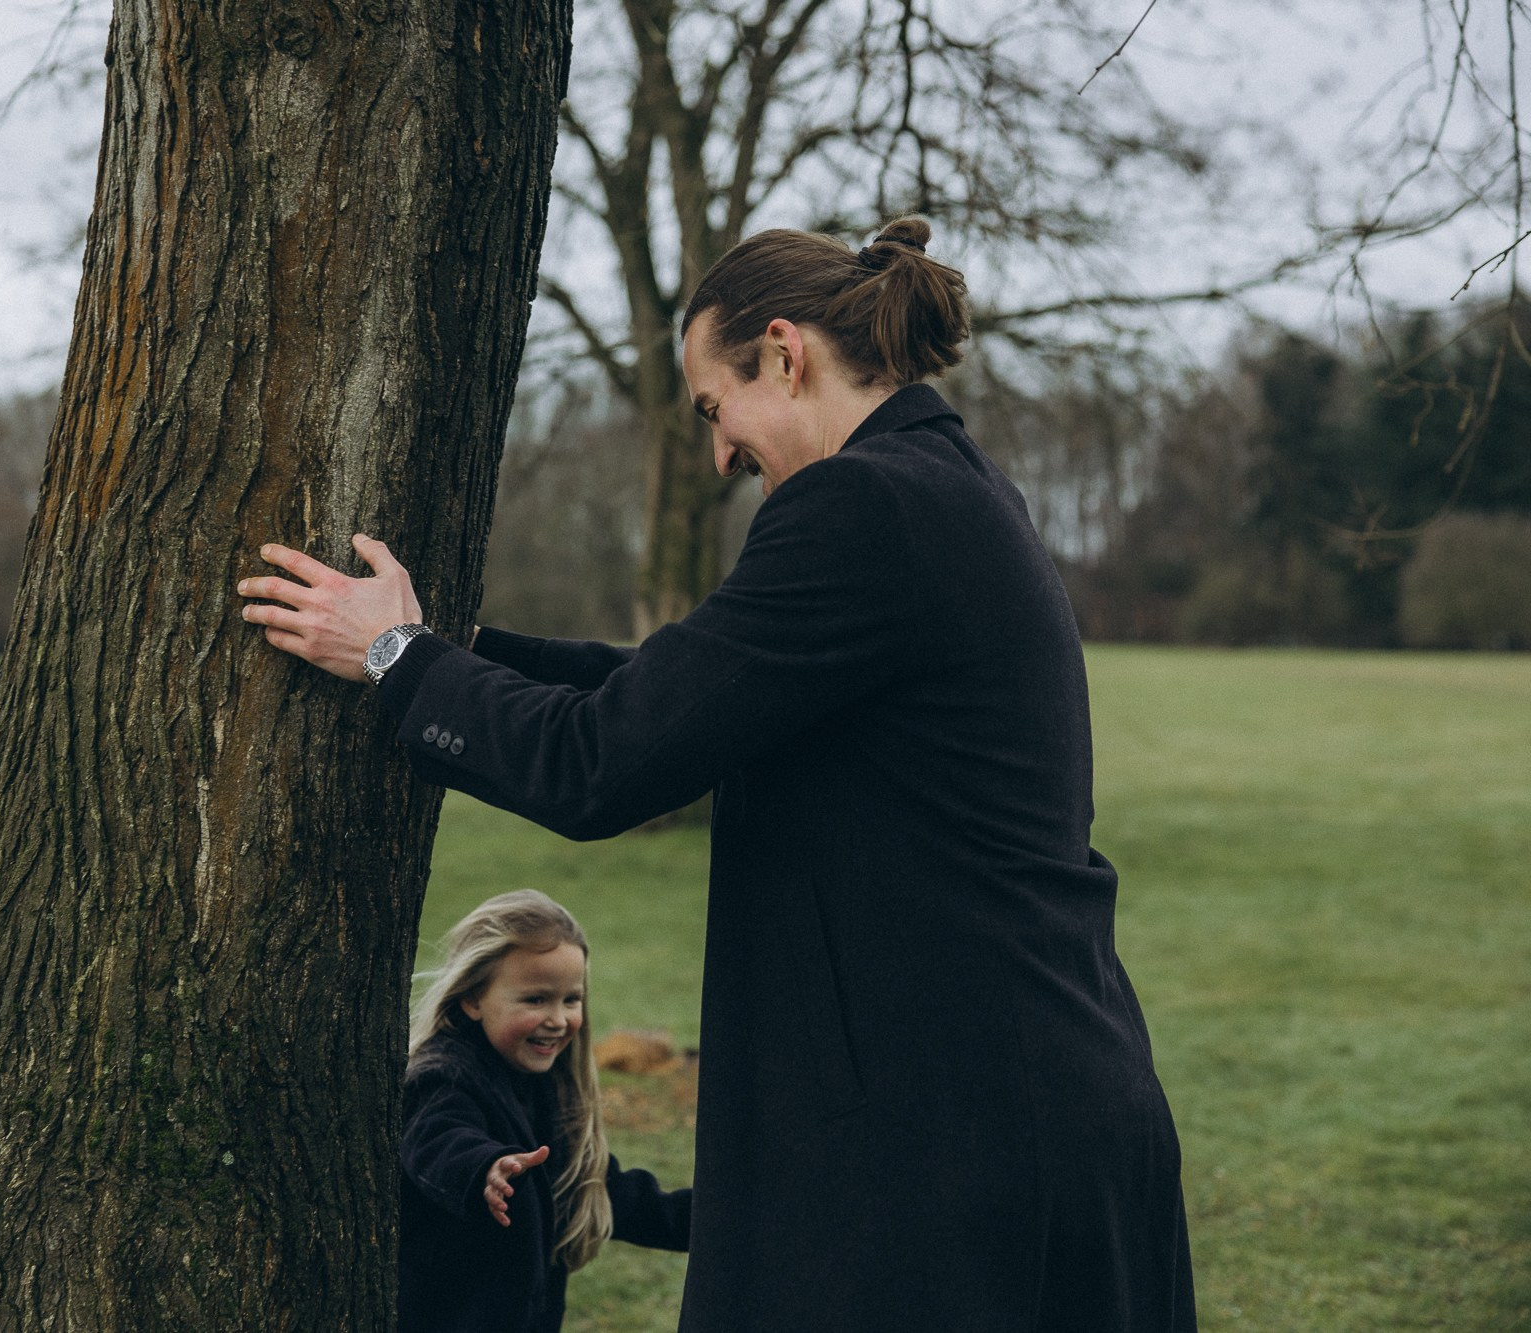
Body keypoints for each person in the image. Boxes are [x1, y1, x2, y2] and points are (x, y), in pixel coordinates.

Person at [238, 218, 1198, 1330]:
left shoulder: (860, 507)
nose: (719, 454)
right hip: (1015, 1113)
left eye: (712, 407)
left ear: (783, 354)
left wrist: (396, 661)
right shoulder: (946, 488)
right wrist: (449, 644)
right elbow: (672, 691)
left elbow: (598, 761)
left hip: (950, 1150)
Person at [399, 889, 691, 1333]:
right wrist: (484, 1170)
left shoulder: (548, 1087)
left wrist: (706, 1220)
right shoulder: (443, 1075)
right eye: (536, 1000)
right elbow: (438, 1139)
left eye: (570, 999)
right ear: (473, 999)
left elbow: (596, 1187)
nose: (558, 1019)